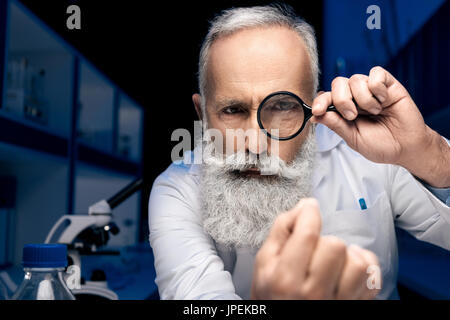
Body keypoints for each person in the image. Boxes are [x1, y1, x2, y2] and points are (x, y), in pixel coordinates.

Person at [148, 4, 450, 300]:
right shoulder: (177, 188)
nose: (255, 144)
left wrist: (430, 152)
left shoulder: (373, 153)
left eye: (281, 107)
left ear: (314, 109)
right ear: (202, 115)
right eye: (232, 110)